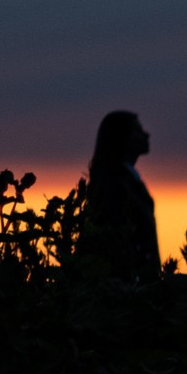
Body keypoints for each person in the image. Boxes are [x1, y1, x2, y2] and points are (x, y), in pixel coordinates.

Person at [76, 109, 161, 281]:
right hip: (125, 284)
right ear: (123, 138)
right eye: (138, 131)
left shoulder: (123, 180)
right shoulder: (115, 184)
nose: (146, 135)